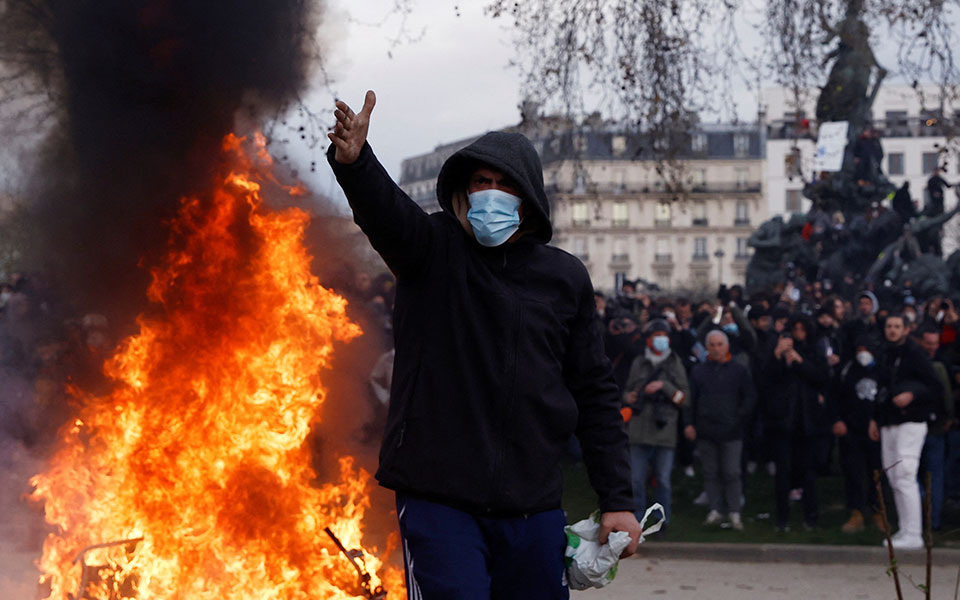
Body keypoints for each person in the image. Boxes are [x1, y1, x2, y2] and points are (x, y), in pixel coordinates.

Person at [326, 91, 641, 598]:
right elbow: (388, 215)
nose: (490, 194)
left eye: (504, 185)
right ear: (463, 193)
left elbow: (595, 394)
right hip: (439, 498)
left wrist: (618, 500)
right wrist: (356, 162)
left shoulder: (564, 277)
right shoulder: (432, 250)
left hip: (533, 505)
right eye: (481, 183)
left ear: (528, 198)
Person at [869, 314, 941, 550]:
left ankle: (914, 533)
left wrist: (912, 394)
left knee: (905, 474)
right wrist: (875, 419)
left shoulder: (914, 353)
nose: (892, 330)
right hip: (889, 421)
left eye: (897, 326)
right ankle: (905, 528)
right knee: (893, 477)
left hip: (910, 421)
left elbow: (934, 385)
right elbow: (880, 388)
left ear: (906, 329)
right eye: (889, 326)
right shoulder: (885, 353)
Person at [761, 315, 830, 531]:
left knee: (808, 472)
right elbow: (767, 377)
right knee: (783, 472)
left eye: (802, 330)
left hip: (806, 420)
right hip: (783, 421)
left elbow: (821, 377)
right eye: (795, 329)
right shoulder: (777, 350)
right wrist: (778, 355)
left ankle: (811, 517)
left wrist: (799, 361)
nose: (799, 334)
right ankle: (782, 518)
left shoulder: (812, 351)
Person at [622, 319, 690, 526]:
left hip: (664, 430)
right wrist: (629, 397)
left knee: (662, 480)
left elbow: (684, 398)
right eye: (656, 336)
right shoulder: (639, 362)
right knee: (635, 480)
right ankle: (637, 522)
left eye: (664, 335)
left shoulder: (675, 363)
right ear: (649, 339)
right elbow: (626, 391)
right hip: (639, 429)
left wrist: (665, 387)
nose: (661, 339)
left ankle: (662, 522)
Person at [685, 330, 756, 530]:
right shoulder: (699, 371)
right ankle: (715, 509)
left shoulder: (739, 370)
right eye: (712, 345)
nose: (716, 348)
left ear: (727, 346)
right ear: (707, 347)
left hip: (732, 431)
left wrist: (739, 417)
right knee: (710, 472)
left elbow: (749, 397)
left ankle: (734, 511)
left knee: (732, 472)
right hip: (706, 430)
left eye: (719, 344)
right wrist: (689, 423)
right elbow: (691, 400)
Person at [833, 335, 886, 533]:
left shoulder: (882, 370)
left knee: (877, 473)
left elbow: (886, 397)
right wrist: (837, 419)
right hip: (851, 430)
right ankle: (856, 512)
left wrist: (878, 421)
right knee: (853, 473)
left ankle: (878, 512)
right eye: (860, 349)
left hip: (875, 432)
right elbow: (835, 396)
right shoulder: (846, 370)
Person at [916, 325, 954, 531]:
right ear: (921, 342)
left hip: (935, 430)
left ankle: (932, 520)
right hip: (917, 428)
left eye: (935, 344)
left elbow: (947, 395)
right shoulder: (918, 363)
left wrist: (947, 418)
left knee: (933, 475)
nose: (932, 347)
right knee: (914, 473)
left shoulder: (940, 365)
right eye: (928, 343)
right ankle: (927, 516)